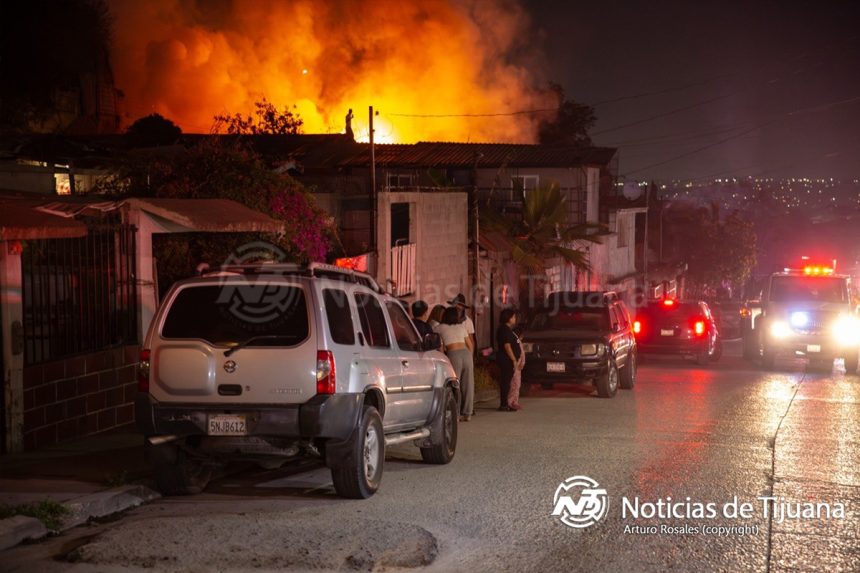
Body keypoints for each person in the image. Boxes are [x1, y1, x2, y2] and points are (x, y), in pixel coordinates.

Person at [436, 306, 474, 421]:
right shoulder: (461, 326)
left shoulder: (439, 328)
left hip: (453, 354)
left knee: (454, 385)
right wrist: (469, 357)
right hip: (466, 354)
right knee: (468, 385)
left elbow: (440, 348)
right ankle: (467, 413)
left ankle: (455, 414)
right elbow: (470, 345)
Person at [496, 308, 522, 412]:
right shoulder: (504, 330)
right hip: (506, 360)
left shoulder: (507, 329)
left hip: (507, 360)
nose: (515, 319)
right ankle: (504, 404)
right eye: (513, 317)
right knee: (506, 382)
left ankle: (506, 403)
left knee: (507, 381)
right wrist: (514, 359)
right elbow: (507, 346)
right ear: (509, 318)